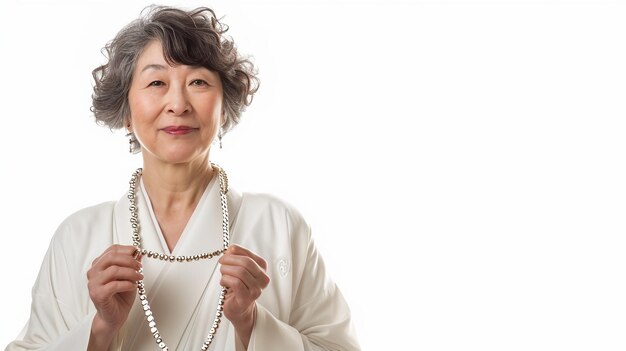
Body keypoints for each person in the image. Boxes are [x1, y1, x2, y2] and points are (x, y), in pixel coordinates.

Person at [5, 5, 359, 351]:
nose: (178, 103)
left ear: (225, 107)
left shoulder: (279, 224)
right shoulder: (77, 235)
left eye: (198, 82)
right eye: (157, 81)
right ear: (126, 112)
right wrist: (100, 329)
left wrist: (251, 323)